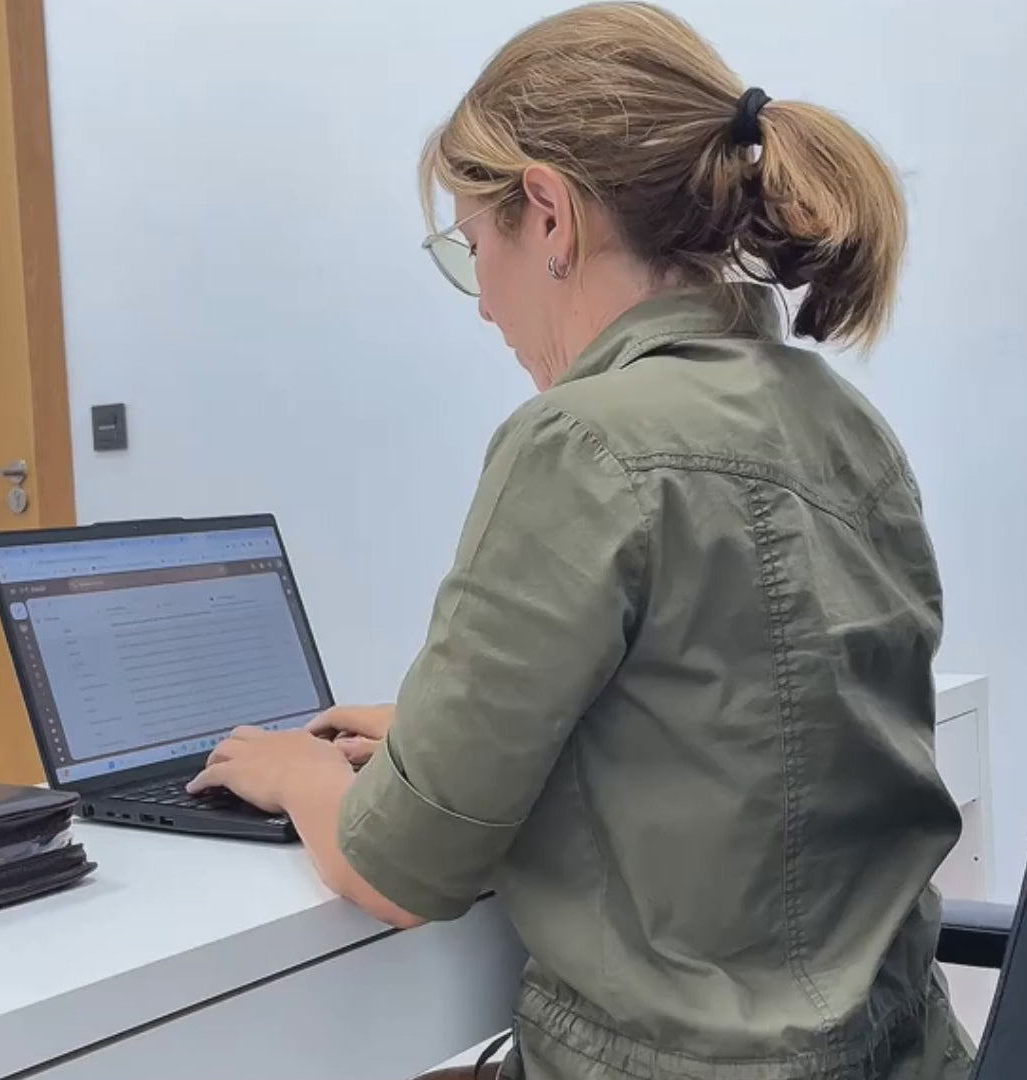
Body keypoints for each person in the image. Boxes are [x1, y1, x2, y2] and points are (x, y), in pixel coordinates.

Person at [189, 4, 974, 1078]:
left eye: (474, 247)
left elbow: (399, 871)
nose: (482, 306)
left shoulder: (580, 442)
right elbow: (753, 730)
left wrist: (293, 772)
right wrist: (439, 737)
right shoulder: (843, 421)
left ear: (550, 216)